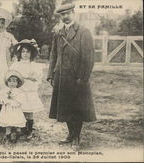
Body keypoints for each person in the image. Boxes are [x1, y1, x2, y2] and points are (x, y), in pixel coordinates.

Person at [47, 3, 96, 149]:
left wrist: (83, 77)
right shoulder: (58, 32)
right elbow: (53, 54)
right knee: (65, 108)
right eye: (62, 15)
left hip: (77, 78)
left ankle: (76, 137)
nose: (65, 17)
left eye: (67, 14)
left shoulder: (83, 31)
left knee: (77, 109)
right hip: (61, 76)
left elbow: (89, 58)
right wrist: (51, 74)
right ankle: (70, 134)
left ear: (73, 13)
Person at [10, 39, 44, 139]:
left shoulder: (33, 65)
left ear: (31, 53)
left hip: (29, 91)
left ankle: (29, 130)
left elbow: (36, 78)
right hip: (19, 91)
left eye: (27, 52)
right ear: (20, 53)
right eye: (23, 52)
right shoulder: (16, 65)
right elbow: (11, 76)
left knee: (29, 111)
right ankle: (21, 128)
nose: (25, 54)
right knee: (20, 110)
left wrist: (27, 77)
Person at [0, 70, 26, 143]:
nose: (12, 83)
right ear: (7, 82)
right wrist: (4, 100)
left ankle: (17, 134)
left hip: (15, 109)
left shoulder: (19, 91)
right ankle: (8, 136)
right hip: (7, 109)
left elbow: (20, 100)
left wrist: (13, 100)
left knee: (17, 121)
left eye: (14, 81)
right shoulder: (4, 90)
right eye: (10, 81)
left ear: (17, 83)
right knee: (7, 122)